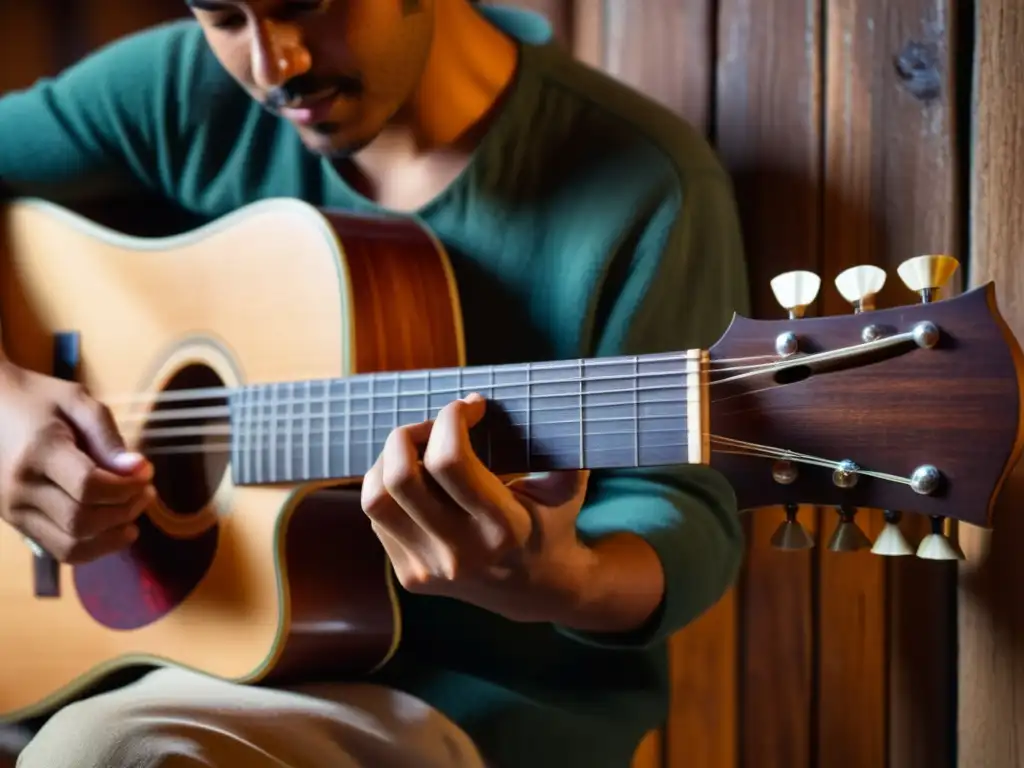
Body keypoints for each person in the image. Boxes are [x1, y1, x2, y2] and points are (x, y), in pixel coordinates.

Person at [0, 1, 750, 766]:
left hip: (470, 701)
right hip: (194, 664)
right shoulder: (185, 86)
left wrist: (559, 577)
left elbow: (685, 512)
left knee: (98, 755)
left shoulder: (645, 184)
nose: (271, 65)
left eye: (303, 6)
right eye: (224, 17)